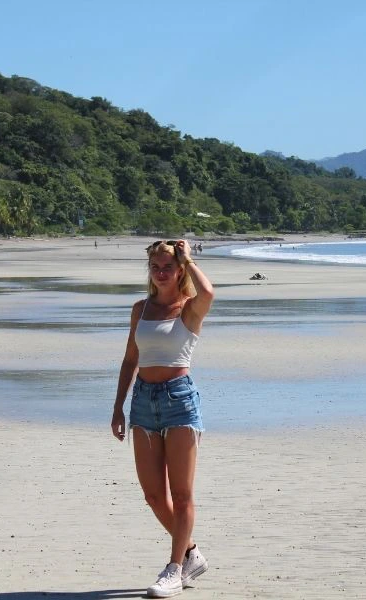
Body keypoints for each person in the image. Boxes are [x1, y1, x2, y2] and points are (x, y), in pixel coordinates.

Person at [111, 239, 215, 598]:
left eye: (168, 267)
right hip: (142, 402)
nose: (160, 273)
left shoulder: (189, 308)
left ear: (180, 269)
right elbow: (129, 360)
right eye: (155, 267)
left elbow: (209, 291)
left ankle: (173, 569)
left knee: (182, 494)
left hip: (179, 401)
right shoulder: (140, 309)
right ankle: (190, 554)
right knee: (155, 495)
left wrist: (188, 256)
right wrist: (117, 407)